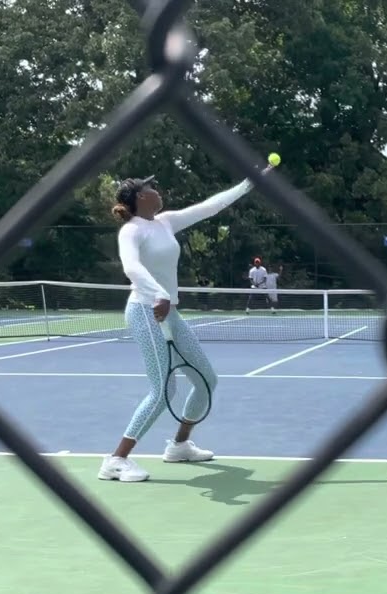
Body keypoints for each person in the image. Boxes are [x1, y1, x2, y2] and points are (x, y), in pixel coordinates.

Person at [98, 168, 271, 483]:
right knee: (164, 390)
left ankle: (179, 445)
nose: (157, 189)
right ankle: (115, 460)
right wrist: (159, 294)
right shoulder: (131, 231)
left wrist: (249, 184)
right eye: (151, 187)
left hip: (170, 314)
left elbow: (210, 207)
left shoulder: (165, 222)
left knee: (206, 379)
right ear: (140, 197)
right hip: (144, 312)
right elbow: (131, 267)